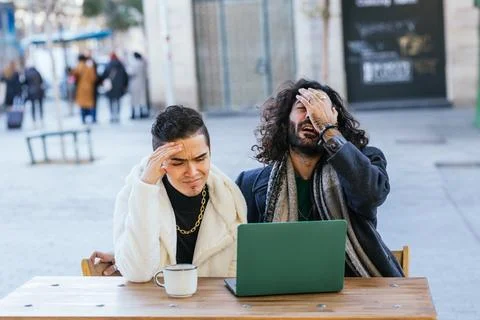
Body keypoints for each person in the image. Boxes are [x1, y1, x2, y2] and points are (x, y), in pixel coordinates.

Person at [235, 79, 403, 277]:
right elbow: (240, 255)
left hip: (352, 291)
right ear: (285, 120)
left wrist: (328, 130)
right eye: (302, 108)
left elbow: (371, 195)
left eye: (320, 109)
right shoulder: (249, 184)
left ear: (334, 120)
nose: (311, 117)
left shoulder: (364, 163)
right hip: (280, 293)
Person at [91, 105, 246, 281]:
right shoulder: (135, 195)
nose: (192, 172)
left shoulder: (228, 198)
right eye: (178, 162)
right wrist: (146, 187)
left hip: (212, 306)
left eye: (201, 158)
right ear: (159, 160)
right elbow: (138, 273)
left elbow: (235, 276)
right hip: (156, 306)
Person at [100, 53, 129, 123]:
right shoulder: (121, 65)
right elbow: (125, 76)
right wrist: (124, 85)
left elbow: (104, 76)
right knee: (118, 101)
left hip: (110, 87)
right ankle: (117, 115)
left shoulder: (108, 65)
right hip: (119, 87)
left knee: (110, 101)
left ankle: (112, 115)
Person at [71, 54, 97, 124]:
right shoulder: (89, 67)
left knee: (82, 104)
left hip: (80, 88)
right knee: (91, 104)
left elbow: (72, 78)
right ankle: (93, 118)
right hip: (89, 88)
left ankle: (83, 119)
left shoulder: (76, 67)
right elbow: (93, 78)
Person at [128, 52, 149, 119]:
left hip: (134, 84)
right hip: (142, 83)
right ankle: (141, 113)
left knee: (134, 100)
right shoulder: (143, 63)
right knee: (141, 100)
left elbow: (130, 73)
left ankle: (133, 114)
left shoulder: (134, 64)